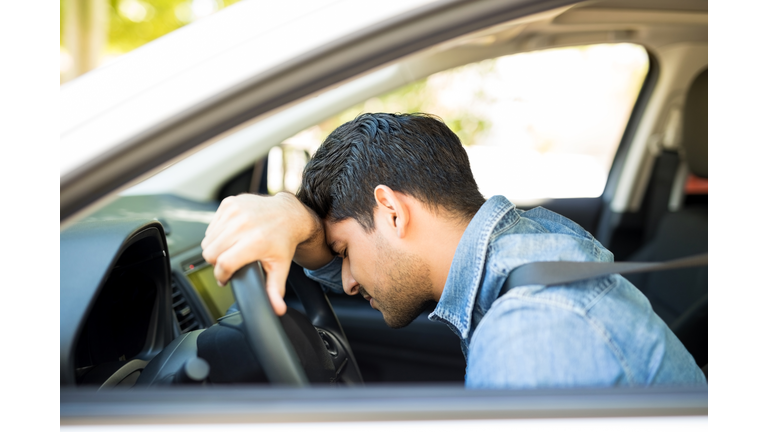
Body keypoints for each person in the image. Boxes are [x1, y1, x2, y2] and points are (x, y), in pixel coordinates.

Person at [201, 112, 707, 388]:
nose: (347, 280)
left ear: (392, 212)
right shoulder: (525, 243)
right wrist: (294, 216)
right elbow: (340, 265)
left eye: (345, 250)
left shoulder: (529, 337)